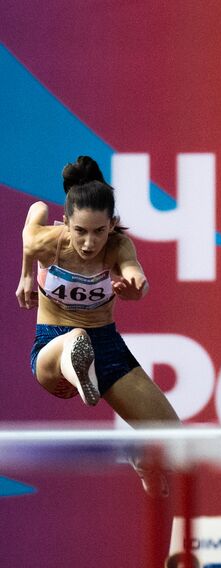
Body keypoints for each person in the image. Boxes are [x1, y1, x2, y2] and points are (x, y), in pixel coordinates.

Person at [16, 155, 177, 495]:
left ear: (113, 224)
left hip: (105, 347)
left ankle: (141, 454)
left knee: (174, 439)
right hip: (52, 344)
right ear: (64, 222)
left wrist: (135, 285)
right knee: (73, 340)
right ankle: (75, 357)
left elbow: (136, 277)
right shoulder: (48, 240)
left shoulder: (118, 247)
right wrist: (26, 276)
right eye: (80, 232)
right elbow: (31, 221)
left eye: (99, 232)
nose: (90, 243)